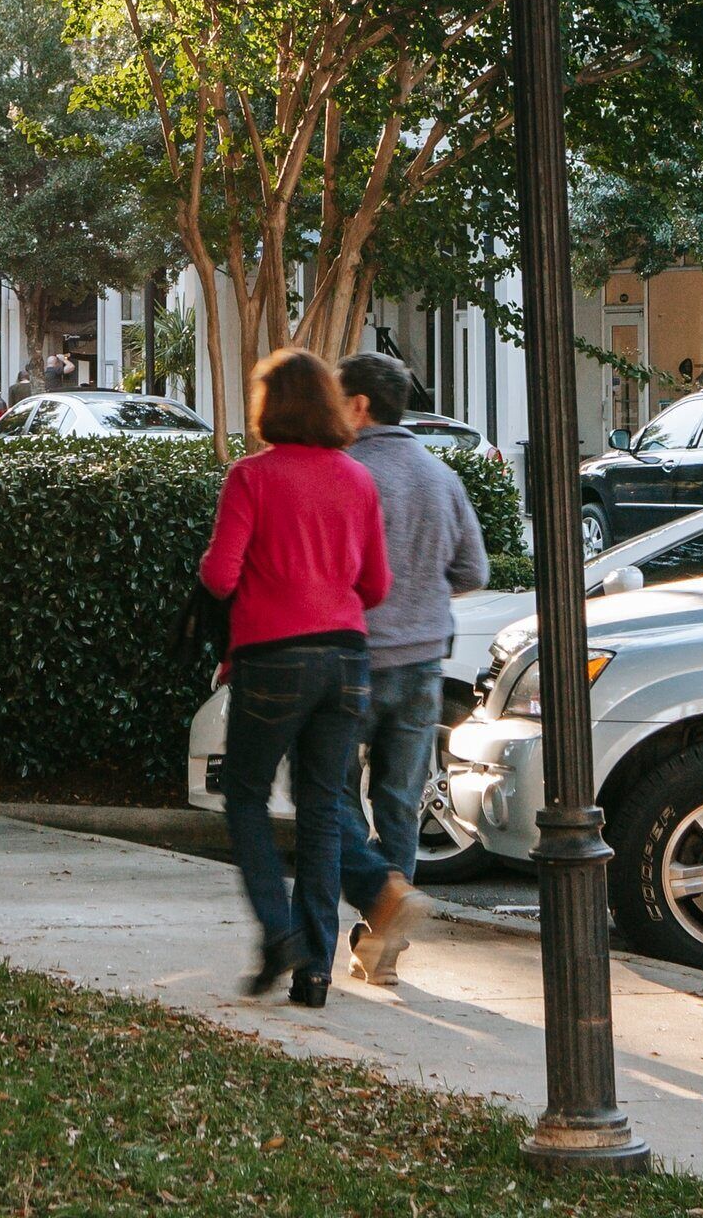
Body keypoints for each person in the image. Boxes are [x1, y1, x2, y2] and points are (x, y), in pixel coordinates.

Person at [198, 347, 389, 1006]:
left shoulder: (251, 477)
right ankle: (315, 973)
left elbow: (220, 574)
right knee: (321, 810)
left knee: (245, 795)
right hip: (347, 657)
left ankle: (281, 934)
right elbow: (377, 585)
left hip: (273, 656)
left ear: (269, 406)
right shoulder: (358, 479)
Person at [331, 351, 489, 985]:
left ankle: (379, 895)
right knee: (399, 805)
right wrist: (421, 590)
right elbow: (474, 570)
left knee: (330, 791)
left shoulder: (345, 474)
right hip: (424, 662)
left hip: (352, 658)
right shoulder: (440, 476)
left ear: (359, 406)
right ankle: (383, 951)